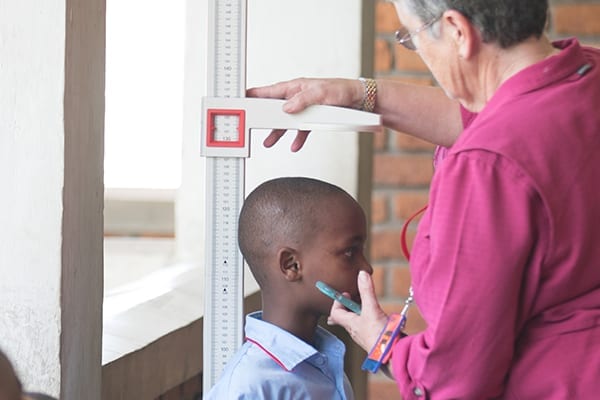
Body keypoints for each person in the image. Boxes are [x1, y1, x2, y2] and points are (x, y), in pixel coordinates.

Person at [247, 1, 600, 399]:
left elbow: (457, 378)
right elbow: (492, 116)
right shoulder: (585, 75)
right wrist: (354, 93)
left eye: (411, 37)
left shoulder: (487, 165)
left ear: (456, 30)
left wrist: (386, 344)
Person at [204, 177, 373, 399]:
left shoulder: (325, 361)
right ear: (291, 265)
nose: (367, 268)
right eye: (350, 252)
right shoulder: (249, 387)